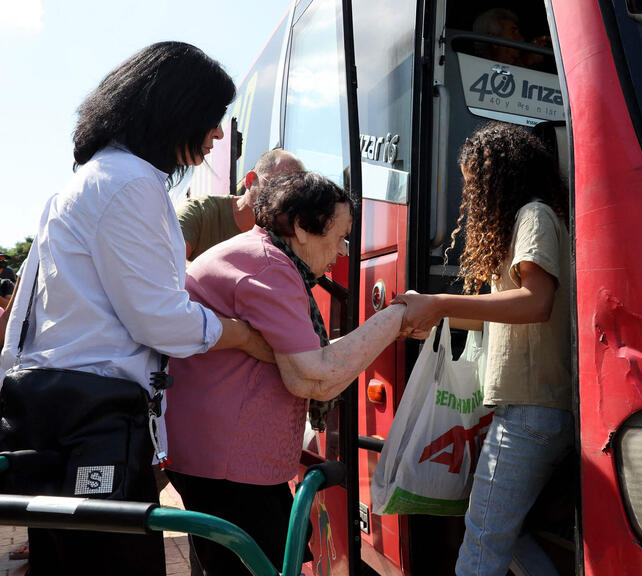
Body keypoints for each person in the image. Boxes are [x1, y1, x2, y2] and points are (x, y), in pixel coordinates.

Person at [0, 41, 273, 576]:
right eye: (214, 118)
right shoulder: (133, 184)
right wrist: (242, 334)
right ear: (177, 109)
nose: (219, 133)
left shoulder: (87, 180)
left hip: (54, 416)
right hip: (99, 422)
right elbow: (161, 321)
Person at [165, 171, 407, 576]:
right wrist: (397, 317)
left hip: (228, 462)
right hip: (229, 466)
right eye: (340, 235)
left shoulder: (266, 257)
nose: (344, 251)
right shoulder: (269, 266)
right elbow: (313, 374)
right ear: (300, 226)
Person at [394, 122, 571, 576]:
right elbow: (504, 317)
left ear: (501, 178)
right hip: (534, 410)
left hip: (530, 411)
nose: (471, 199)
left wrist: (439, 301)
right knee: (509, 537)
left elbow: (536, 303)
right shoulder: (532, 218)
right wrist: (432, 317)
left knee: (479, 551)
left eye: (476, 185)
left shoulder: (534, 215)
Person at [177, 149, 305, 260]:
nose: (282, 198)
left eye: (292, 193)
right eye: (275, 186)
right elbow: (169, 267)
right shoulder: (200, 211)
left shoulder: (290, 241)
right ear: (250, 180)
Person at [472, 7, 550, 68]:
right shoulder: (470, 70)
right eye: (513, 32)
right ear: (494, 40)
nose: (522, 39)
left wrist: (527, 61)